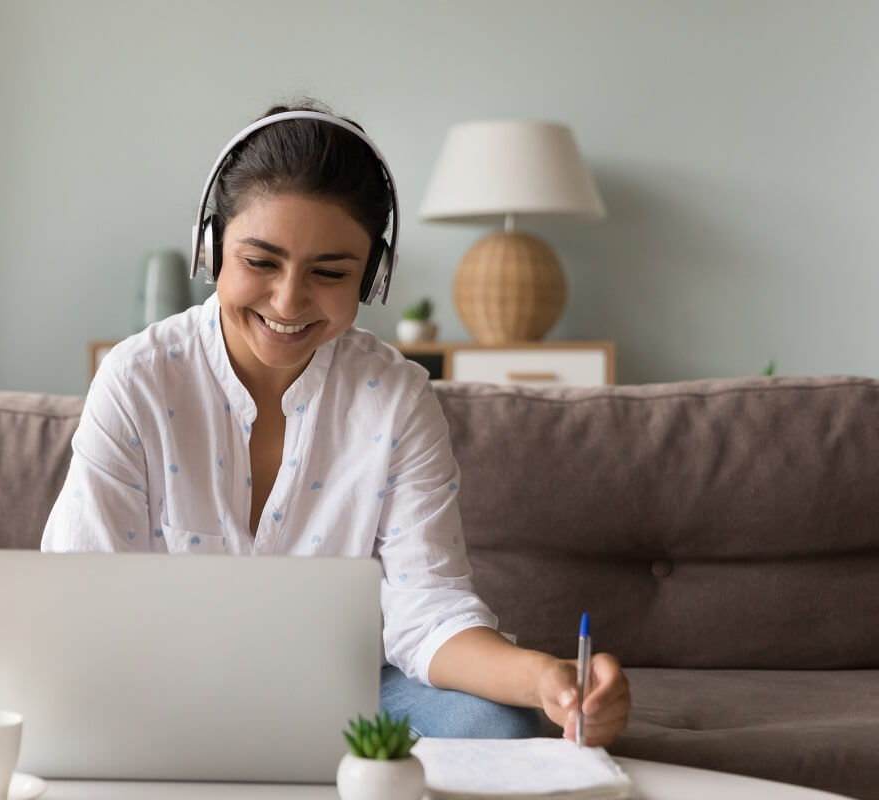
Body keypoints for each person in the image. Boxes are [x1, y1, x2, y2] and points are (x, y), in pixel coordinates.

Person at [42, 100, 630, 744]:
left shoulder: (397, 398)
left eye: (329, 272)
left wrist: (548, 681)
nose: (288, 301)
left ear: (373, 275)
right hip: (167, 690)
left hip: (356, 691)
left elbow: (428, 614)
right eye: (260, 262)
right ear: (210, 249)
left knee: (493, 722)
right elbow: (83, 605)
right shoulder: (137, 380)